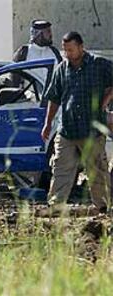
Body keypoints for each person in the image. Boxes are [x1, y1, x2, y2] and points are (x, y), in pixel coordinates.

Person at [41, 31, 113, 213]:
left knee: (96, 169)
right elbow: (54, 98)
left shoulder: (98, 65)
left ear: (81, 47)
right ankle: (56, 206)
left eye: (71, 50)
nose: (68, 54)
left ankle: (103, 207)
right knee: (60, 168)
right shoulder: (62, 69)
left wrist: (106, 100)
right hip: (67, 129)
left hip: (92, 130)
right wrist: (48, 123)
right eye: (65, 50)